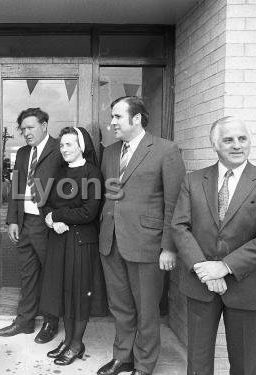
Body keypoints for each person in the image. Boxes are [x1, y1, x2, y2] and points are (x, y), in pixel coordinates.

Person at [172, 116, 256, 375]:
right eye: (228, 139)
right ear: (215, 145)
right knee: (198, 363)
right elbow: (180, 227)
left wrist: (223, 267)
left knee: (245, 365)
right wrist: (204, 269)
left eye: (242, 138)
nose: (237, 145)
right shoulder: (193, 181)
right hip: (201, 285)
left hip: (246, 286)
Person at [97, 96, 185, 375]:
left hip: (148, 244)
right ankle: (123, 357)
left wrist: (169, 247)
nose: (112, 122)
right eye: (112, 117)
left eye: (117, 117)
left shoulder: (165, 150)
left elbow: (175, 202)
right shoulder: (110, 152)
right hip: (111, 241)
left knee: (147, 309)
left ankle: (144, 365)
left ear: (137, 119)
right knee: (120, 306)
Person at [0, 107, 62, 344]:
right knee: (28, 274)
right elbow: (16, 187)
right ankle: (24, 321)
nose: (26, 133)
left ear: (44, 125)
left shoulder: (59, 149)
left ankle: (50, 322)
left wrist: (57, 217)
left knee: (51, 275)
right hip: (25, 222)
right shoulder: (24, 153)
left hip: (48, 224)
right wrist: (13, 219)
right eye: (23, 129)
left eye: (30, 127)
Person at [40, 126, 103, 365]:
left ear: (81, 146)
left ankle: (77, 344)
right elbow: (45, 203)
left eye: (69, 144)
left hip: (80, 242)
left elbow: (89, 212)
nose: (64, 149)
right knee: (64, 293)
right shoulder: (59, 172)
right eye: (62, 145)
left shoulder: (92, 174)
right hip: (59, 240)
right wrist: (49, 218)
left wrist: (57, 216)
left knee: (78, 294)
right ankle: (67, 341)